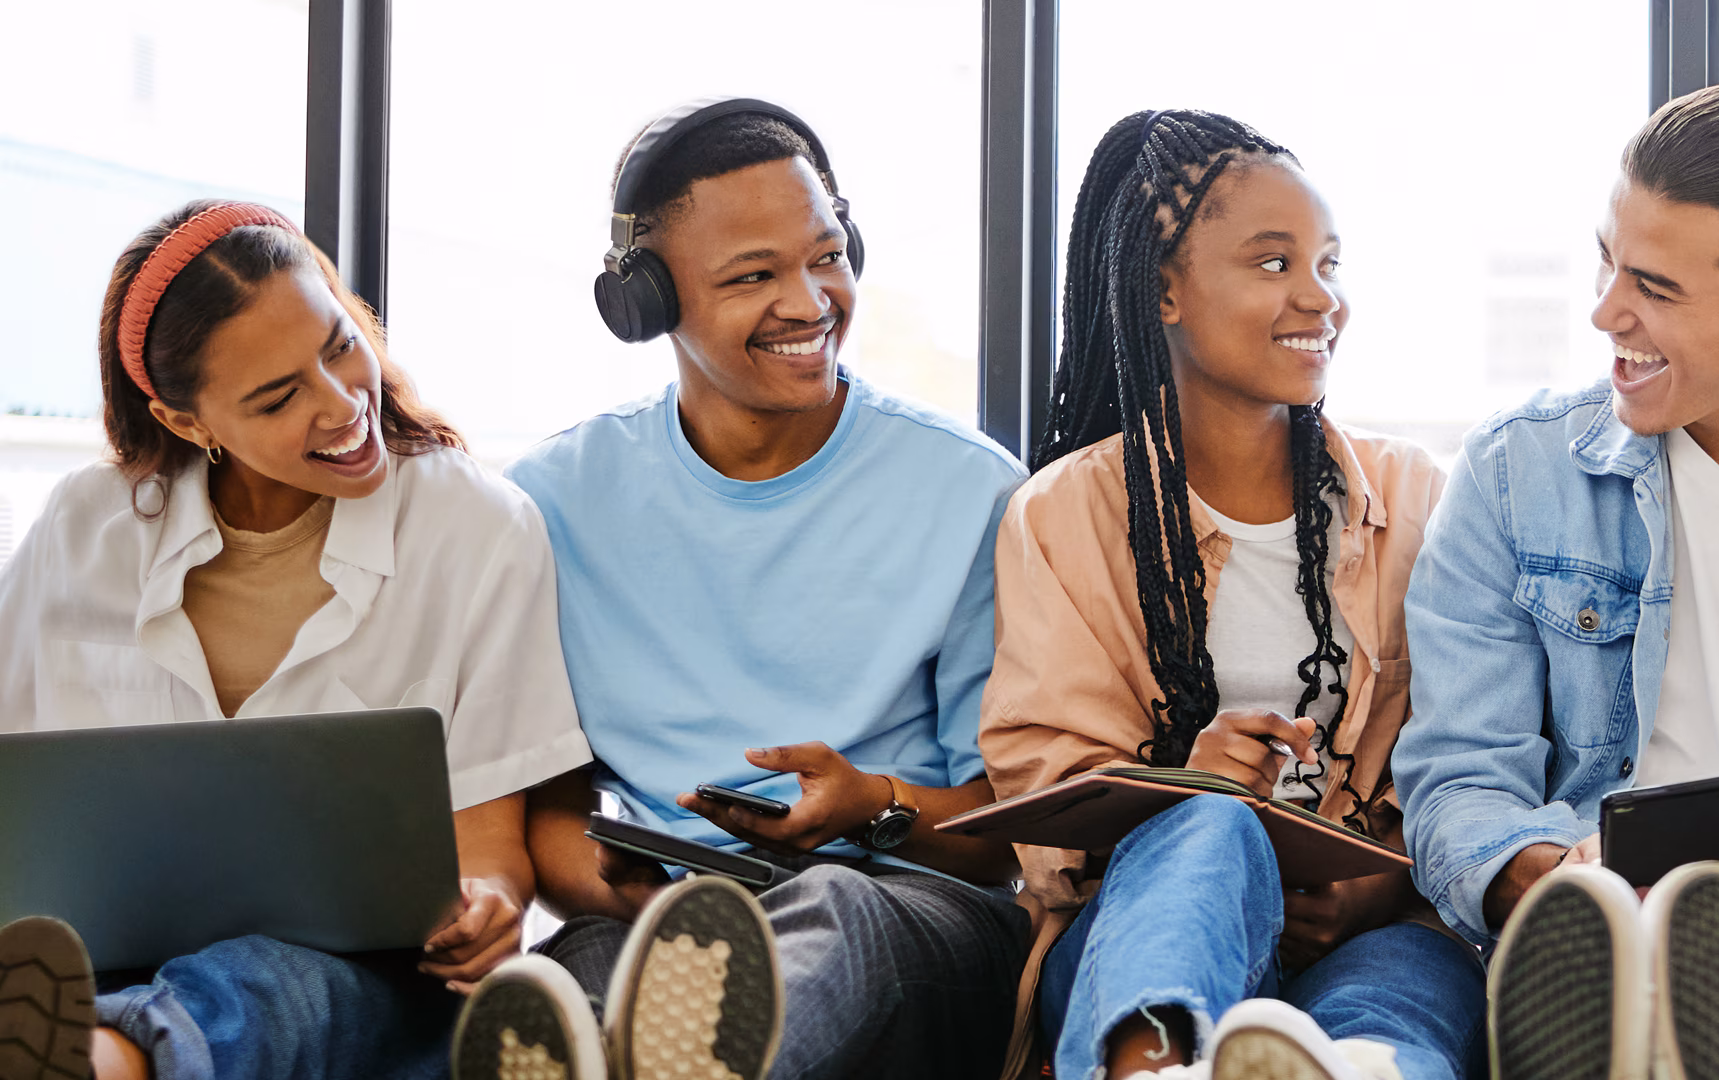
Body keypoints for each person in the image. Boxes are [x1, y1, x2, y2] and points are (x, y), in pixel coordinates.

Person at [456, 101, 1029, 1080]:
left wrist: (869, 804)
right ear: (645, 302)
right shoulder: (553, 504)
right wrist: (612, 884)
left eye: (826, 256)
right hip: (666, 914)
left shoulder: (972, 490)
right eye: (753, 277)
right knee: (570, 985)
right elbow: (541, 813)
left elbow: (1001, 841)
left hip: (907, 907)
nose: (811, 302)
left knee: (832, 912)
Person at [1394, 84, 1719, 1080]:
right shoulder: (1516, 475)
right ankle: (1667, 1024)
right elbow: (1459, 779)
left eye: (1655, 287)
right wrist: (1544, 873)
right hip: (1607, 918)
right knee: (1598, 932)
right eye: (1606, 258)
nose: (1604, 313)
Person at [0, 201, 592, 1080]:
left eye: (337, 344)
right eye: (278, 396)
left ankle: (108, 1060)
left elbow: (490, 845)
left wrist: (489, 906)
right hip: (105, 953)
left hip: (360, 981)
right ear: (186, 424)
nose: (343, 402)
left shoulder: (477, 528)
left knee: (269, 983)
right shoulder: (86, 526)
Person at [979, 109, 1482, 1080]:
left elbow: (1483, 755)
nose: (1319, 298)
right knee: (1209, 829)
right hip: (1140, 933)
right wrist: (1186, 786)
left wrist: (1384, 888)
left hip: (1369, 935)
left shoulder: (1415, 500)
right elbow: (1047, 817)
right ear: (1165, 290)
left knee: (1395, 1014)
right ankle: (1151, 1065)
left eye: (1329, 264)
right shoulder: (1065, 514)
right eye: (1272, 263)